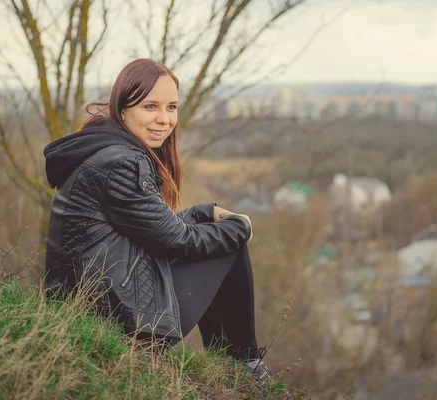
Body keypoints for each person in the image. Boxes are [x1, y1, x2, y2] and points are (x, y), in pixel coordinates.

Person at [43, 58, 271, 383]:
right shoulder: (122, 163)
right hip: (112, 318)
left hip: (92, 300)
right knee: (229, 245)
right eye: (151, 106)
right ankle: (243, 365)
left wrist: (203, 213)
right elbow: (178, 240)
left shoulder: (105, 149)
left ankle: (233, 363)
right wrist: (240, 227)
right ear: (123, 109)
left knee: (218, 233)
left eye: (172, 107)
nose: (164, 120)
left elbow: (148, 223)